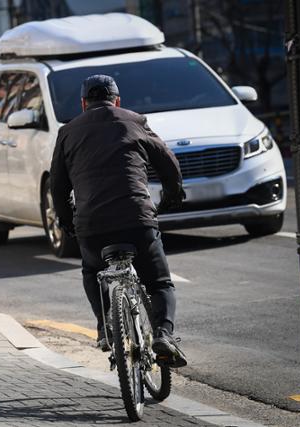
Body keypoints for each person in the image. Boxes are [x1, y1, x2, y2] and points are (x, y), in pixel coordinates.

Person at [49, 74, 187, 367]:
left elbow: (58, 186)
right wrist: (172, 194)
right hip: (137, 219)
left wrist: (66, 222)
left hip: (92, 226)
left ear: (84, 103)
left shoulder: (67, 132)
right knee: (160, 283)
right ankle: (164, 335)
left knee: (92, 271)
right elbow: (168, 162)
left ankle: (104, 326)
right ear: (117, 100)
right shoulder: (135, 121)